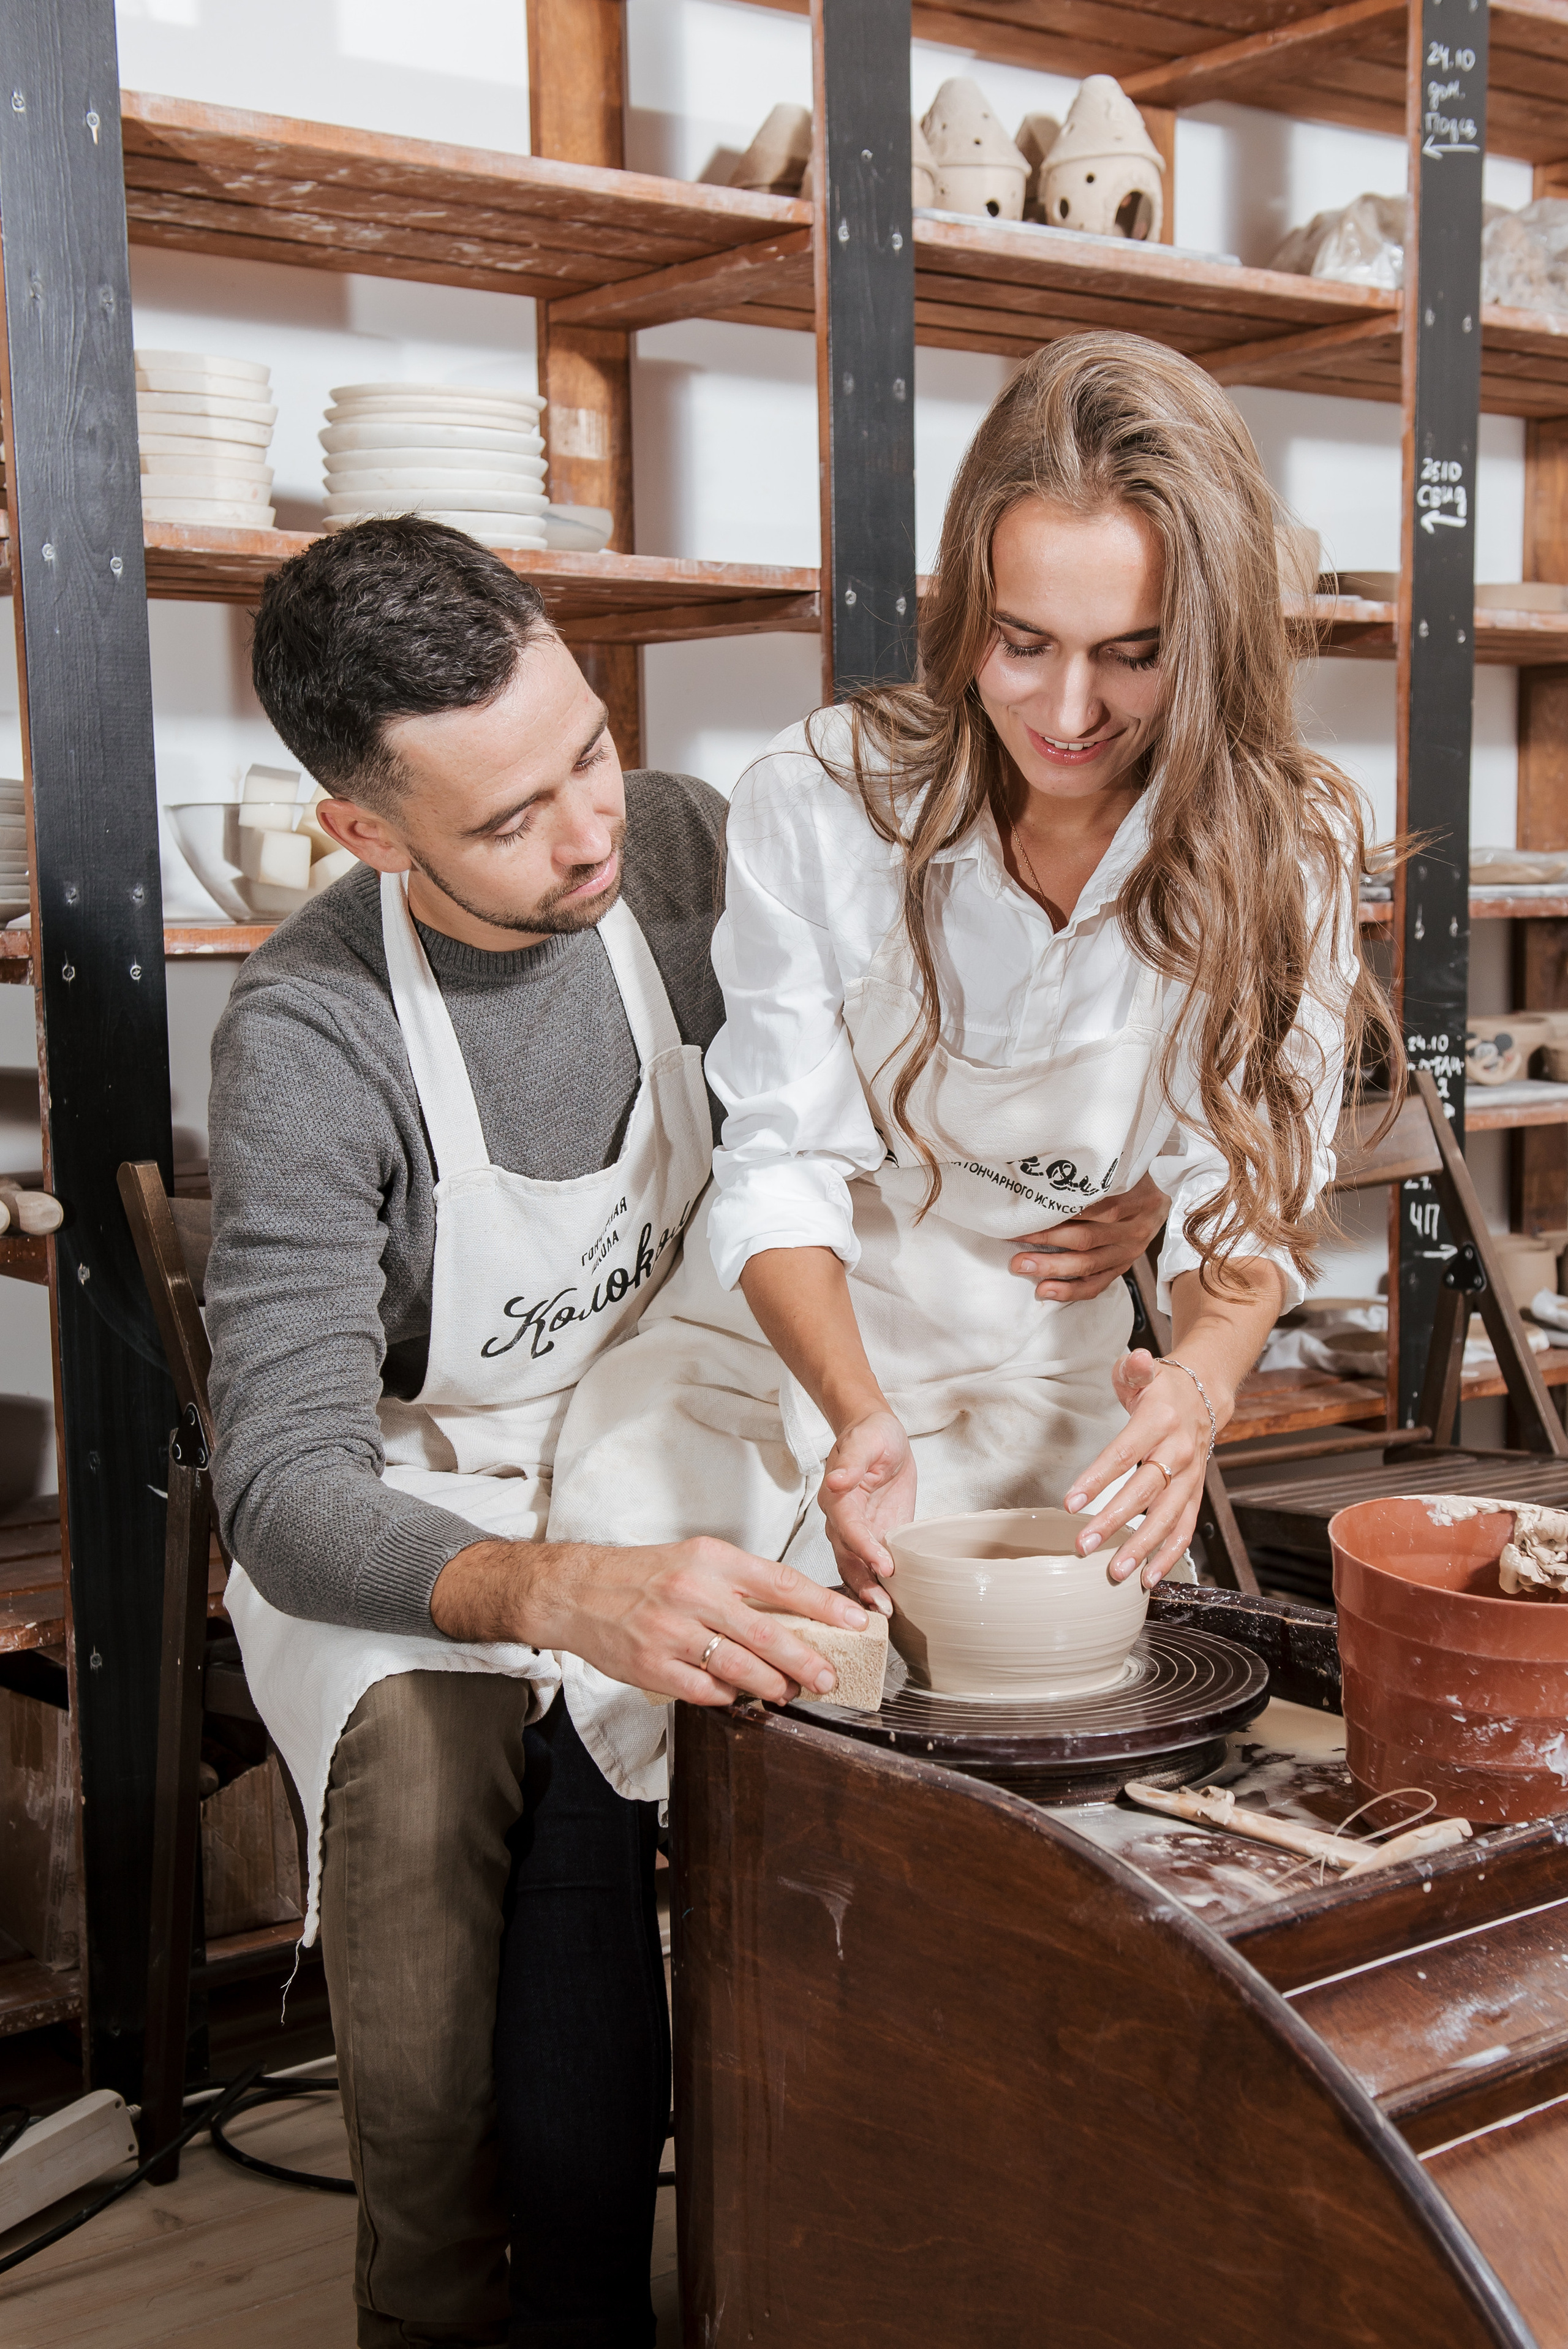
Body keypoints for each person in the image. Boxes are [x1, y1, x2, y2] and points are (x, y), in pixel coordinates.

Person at [203, 517, 875, 2349]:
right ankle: (436, 2300)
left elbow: (837, 1117)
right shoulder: (308, 1033)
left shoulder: (676, 855)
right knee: (427, 1794)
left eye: (586, 747)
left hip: (674, 1418)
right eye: (509, 820)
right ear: (366, 831)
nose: (588, 828)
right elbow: (280, 1485)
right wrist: (559, 1594)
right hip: (421, 1504)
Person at [545, 331, 1400, 1622]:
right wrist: (858, 1417)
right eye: (1021, 642)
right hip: (778, 1354)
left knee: (1018, 1713)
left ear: (1214, 639)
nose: (1066, 711)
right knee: (683, 1661)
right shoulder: (825, 801)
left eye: (1134, 652)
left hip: (1037, 1369)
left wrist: (1196, 1383)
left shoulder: (1289, 849)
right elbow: (777, 1157)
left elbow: (1247, 1189)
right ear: (965, 614)